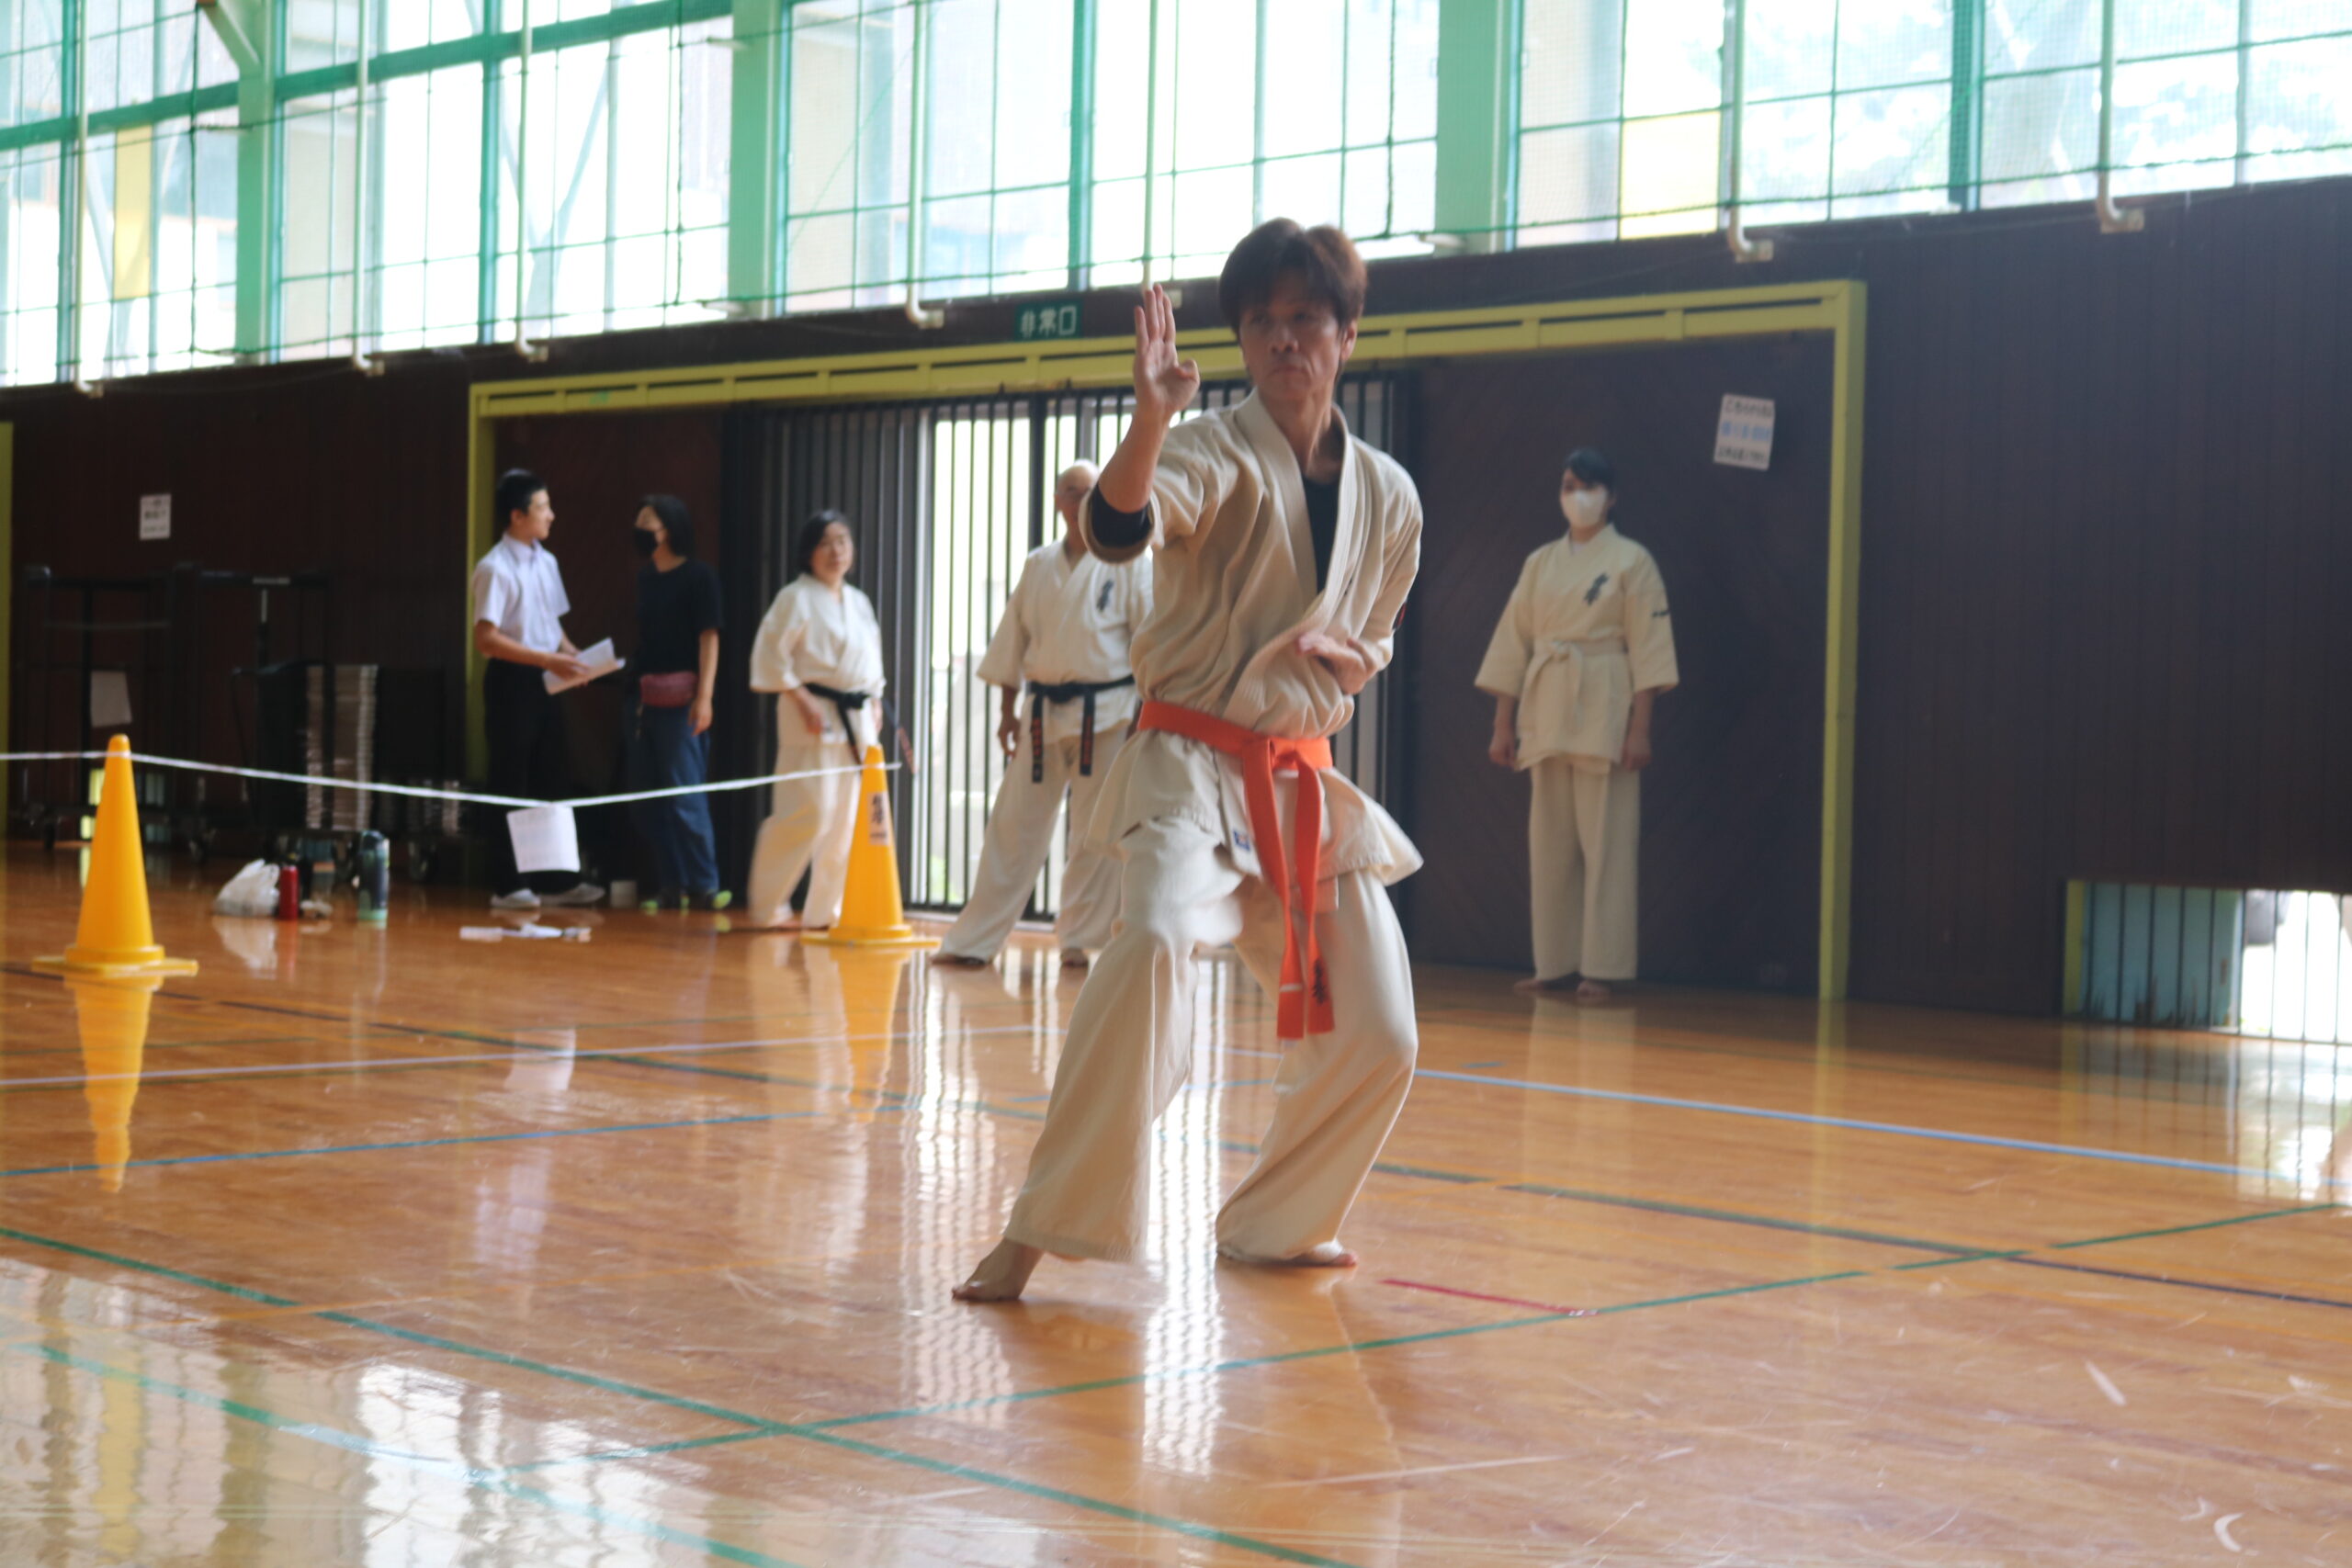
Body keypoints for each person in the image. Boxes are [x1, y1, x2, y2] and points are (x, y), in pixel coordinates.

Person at [956, 221, 1423, 1303]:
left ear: (1347, 334)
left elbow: (1378, 637)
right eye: (1261, 321)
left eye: (1305, 318)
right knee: (1155, 942)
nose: (1282, 339)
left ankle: (1275, 1222)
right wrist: (1152, 416)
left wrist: (1350, 658)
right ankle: (1037, 1228)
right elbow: (1119, 529)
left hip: (1299, 781)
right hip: (1188, 762)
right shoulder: (1210, 449)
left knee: (1381, 1029)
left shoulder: (1391, 496)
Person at [1476, 448, 1679, 1004]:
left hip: (1606, 701)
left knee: (1607, 843)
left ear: (1611, 498)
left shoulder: (1633, 561)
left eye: (1588, 487)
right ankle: (1554, 963)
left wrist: (1640, 729)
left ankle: (1602, 968)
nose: (1578, 496)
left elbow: (1649, 648)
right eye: (1569, 486)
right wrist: (1502, 724)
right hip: (1546, 703)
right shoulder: (1540, 563)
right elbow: (1512, 644)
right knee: (1550, 845)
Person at [933, 461, 1153, 971]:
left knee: (1094, 832)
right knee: (1012, 826)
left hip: (1109, 714)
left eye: (1090, 491)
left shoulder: (1129, 561)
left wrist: (1144, 717)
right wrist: (1006, 711)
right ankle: (974, 940)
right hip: (1040, 713)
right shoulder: (1038, 564)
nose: (1080, 500)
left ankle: (1079, 939)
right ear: (1057, 501)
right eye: (1071, 491)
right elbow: (1013, 639)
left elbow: (1148, 644)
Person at [745, 511, 910, 930]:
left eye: (842, 541)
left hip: (856, 720)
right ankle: (767, 906)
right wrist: (801, 699)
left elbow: (871, 662)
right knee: (807, 814)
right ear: (809, 552)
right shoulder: (795, 597)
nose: (836, 551)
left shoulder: (858, 601)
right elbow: (769, 656)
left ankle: (825, 911)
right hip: (811, 716)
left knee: (845, 823)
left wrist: (875, 699)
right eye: (825, 543)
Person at [469, 468, 605, 910]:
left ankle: (558, 880)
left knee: (552, 776)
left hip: (548, 678)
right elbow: (486, 639)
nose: (551, 515)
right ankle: (508, 884)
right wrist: (548, 660)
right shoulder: (494, 567)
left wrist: (574, 656)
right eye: (542, 508)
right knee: (511, 779)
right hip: (512, 680)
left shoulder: (547, 562)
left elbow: (551, 623)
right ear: (517, 515)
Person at [628, 495, 729, 913]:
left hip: (683, 700)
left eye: (647, 521)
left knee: (686, 796)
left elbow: (709, 637)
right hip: (646, 699)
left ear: (668, 528)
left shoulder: (699, 577)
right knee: (647, 799)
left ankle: (705, 885)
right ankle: (670, 884)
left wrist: (704, 697)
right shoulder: (645, 578)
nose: (639, 528)